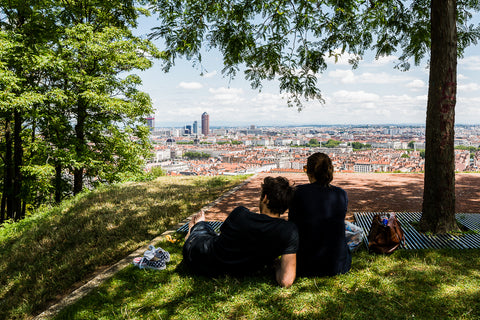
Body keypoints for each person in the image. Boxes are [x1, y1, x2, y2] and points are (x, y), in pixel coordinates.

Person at [183, 176, 298, 287]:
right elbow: (286, 281)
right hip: (231, 266)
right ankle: (197, 228)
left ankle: (193, 230)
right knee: (208, 232)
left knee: (202, 227)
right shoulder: (288, 231)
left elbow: (220, 239)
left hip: (199, 255)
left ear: (265, 198)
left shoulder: (240, 214)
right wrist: (276, 263)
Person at [288, 152, 352, 277]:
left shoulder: (298, 192)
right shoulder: (341, 194)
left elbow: (292, 224)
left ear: (309, 171)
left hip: (305, 265)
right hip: (338, 265)